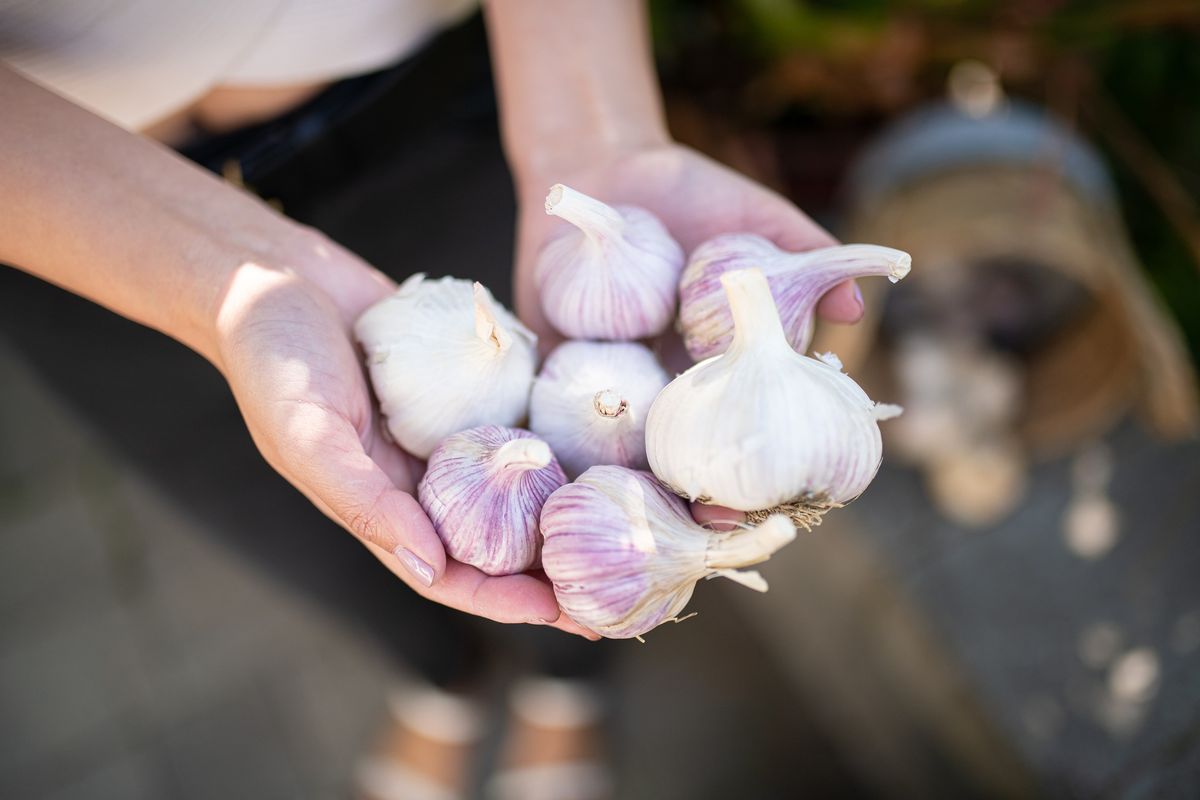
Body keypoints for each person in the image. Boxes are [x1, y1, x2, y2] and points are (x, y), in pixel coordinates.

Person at [0, 2, 865, 797]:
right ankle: (441, 679)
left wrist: (596, 129)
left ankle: (567, 686)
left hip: (440, 122)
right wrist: (229, 287)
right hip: (76, 231)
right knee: (310, 539)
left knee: (540, 565)